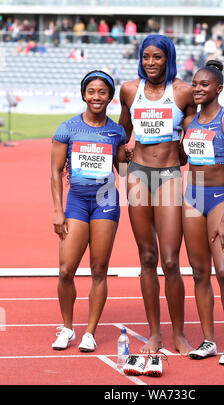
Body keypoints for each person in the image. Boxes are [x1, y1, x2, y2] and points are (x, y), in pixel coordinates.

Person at [118, 34, 197, 356]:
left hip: (168, 176)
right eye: (146, 57)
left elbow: (195, 138)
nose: (151, 63)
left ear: (168, 58)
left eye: (158, 57)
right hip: (137, 175)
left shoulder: (183, 93)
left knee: (170, 260)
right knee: (147, 258)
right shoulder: (128, 90)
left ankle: (178, 333)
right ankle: (155, 334)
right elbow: (121, 133)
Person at [51, 70, 126, 352]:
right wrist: (58, 211)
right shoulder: (67, 128)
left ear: (110, 97)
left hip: (106, 200)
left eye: (102, 92)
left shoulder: (117, 131)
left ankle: (90, 333)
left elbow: (125, 169)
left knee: (99, 269)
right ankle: (68, 328)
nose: (97, 97)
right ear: (84, 94)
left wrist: (131, 158)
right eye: (92, 91)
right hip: (77, 201)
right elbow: (55, 173)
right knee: (65, 270)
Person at [180, 60, 224, 365]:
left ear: (218, 88)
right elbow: (183, 155)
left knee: (223, 271)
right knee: (199, 273)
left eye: (204, 85)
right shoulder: (189, 121)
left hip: (220, 199)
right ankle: (208, 340)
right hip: (192, 197)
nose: (197, 89)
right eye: (195, 84)